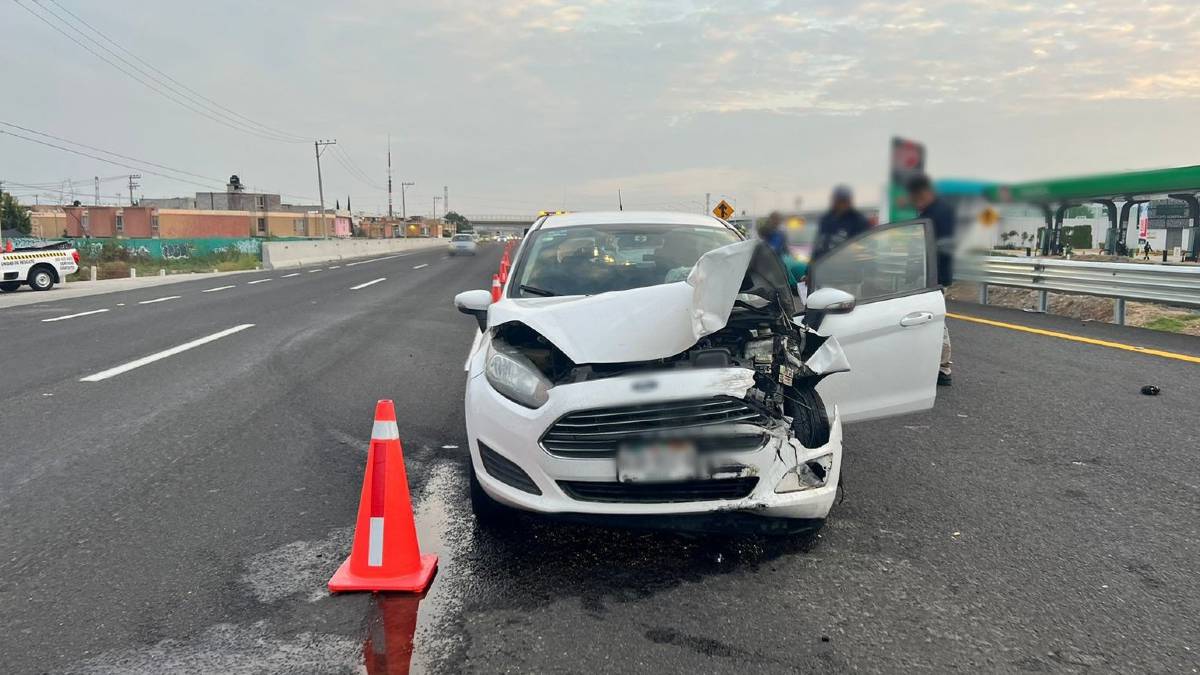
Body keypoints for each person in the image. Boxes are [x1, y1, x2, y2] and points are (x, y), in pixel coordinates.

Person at [907, 174, 955, 386]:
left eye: (916, 198)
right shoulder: (929, 212)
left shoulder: (941, 213)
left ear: (924, 193)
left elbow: (942, 246)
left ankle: (943, 368)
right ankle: (928, 363)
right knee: (924, 319)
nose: (915, 202)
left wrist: (922, 266)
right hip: (926, 275)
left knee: (936, 320)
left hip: (935, 276)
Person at [812, 185, 871, 261]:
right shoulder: (826, 219)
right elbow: (818, 245)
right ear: (834, 200)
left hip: (846, 266)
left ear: (850, 200)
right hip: (822, 266)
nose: (842, 204)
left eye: (844, 200)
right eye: (839, 200)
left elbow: (863, 249)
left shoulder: (859, 221)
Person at [756, 211, 807, 287]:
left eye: (778, 220)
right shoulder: (772, 232)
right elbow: (772, 247)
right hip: (773, 262)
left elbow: (782, 246)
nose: (777, 222)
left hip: (775, 261)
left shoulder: (778, 232)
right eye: (776, 219)